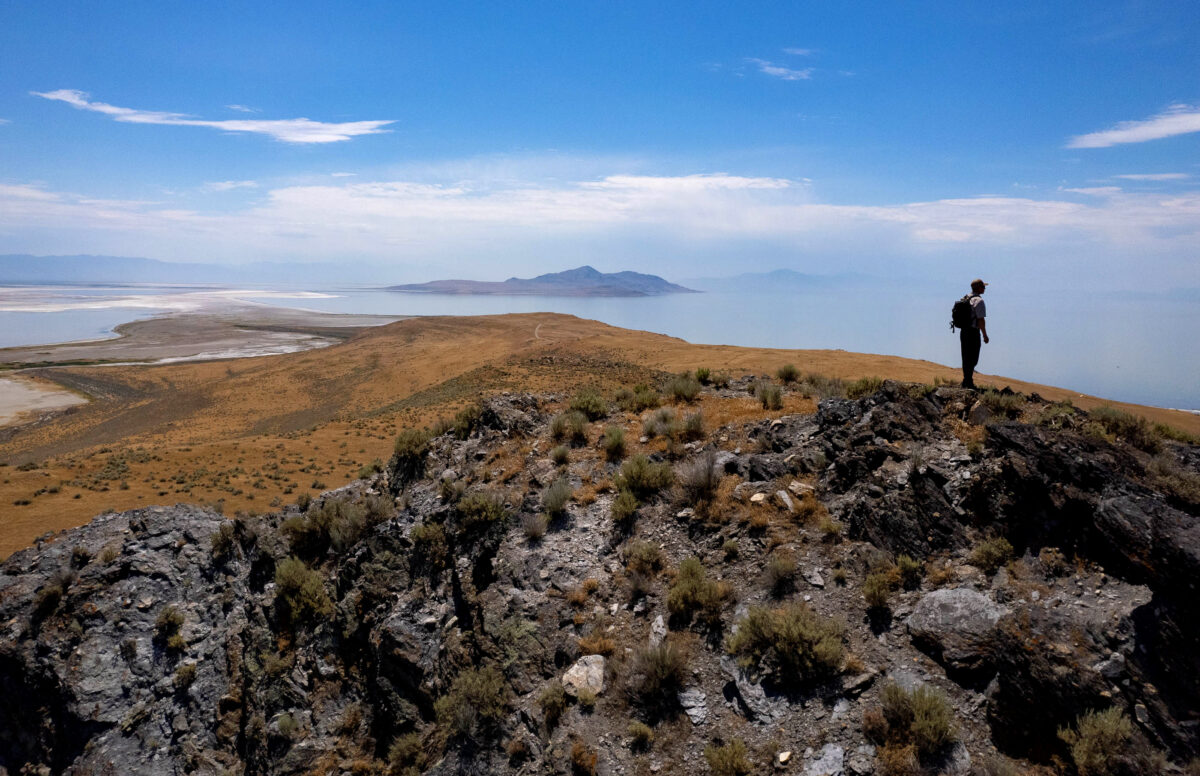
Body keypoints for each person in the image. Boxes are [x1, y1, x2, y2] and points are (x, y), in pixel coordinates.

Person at [960, 279, 989, 389]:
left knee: (965, 356)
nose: (984, 289)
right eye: (983, 287)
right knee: (973, 357)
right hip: (973, 332)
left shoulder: (965, 298)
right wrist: (985, 335)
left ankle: (966, 380)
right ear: (979, 288)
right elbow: (981, 320)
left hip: (964, 331)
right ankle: (968, 382)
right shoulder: (979, 301)